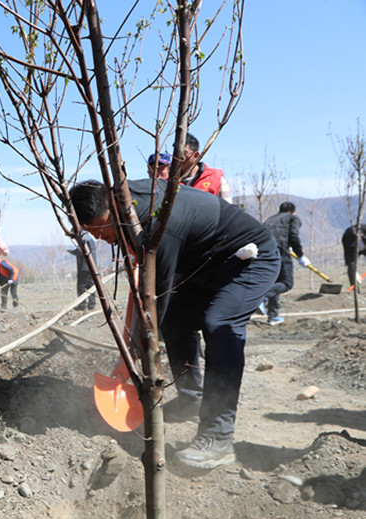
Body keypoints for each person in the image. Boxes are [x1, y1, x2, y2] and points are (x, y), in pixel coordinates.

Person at [69, 178, 279, 469]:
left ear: (112, 208)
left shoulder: (156, 225)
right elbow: (139, 287)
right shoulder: (127, 208)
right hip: (206, 263)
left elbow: (153, 301)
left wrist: (134, 353)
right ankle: (191, 398)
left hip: (249, 259)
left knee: (219, 326)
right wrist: (127, 350)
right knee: (176, 320)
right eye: (90, 232)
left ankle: (218, 436)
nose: (99, 237)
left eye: (99, 228)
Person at [261, 202, 310, 325]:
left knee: (275, 283)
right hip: (280, 251)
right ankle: (260, 298)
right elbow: (293, 236)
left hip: (264, 253)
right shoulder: (293, 218)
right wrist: (301, 256)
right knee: (287, 283)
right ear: (294, 212)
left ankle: (273, 316)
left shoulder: (270, 219)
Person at [177, 133, 233, 203]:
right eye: (176, 152)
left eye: (184, 153)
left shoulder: (216, 178)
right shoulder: (170, 181)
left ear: (196, 155)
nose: (179, 157)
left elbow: (227, 207)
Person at [69, 230, 99, 311]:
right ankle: (92, 304)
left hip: (84, 267)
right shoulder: (90, 239)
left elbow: (82, 251)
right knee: (91, 285)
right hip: (92, 267)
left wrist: (72, 251)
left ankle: (82, 305)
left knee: (81, 286)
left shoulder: (83, 239)